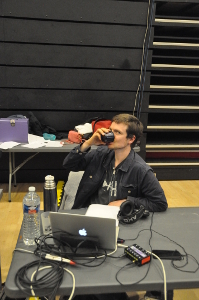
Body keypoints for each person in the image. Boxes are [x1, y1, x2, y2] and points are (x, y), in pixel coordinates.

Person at [63, 114, 168, 212]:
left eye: (117, 132)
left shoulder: (140, 169)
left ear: (131, 139)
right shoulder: (100, 154)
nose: (111, 135)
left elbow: (160, 203)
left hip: (118, 218)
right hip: (89, 213)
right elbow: (69, 164)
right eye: (110, 130)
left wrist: (127, 201)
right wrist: (88, 143)